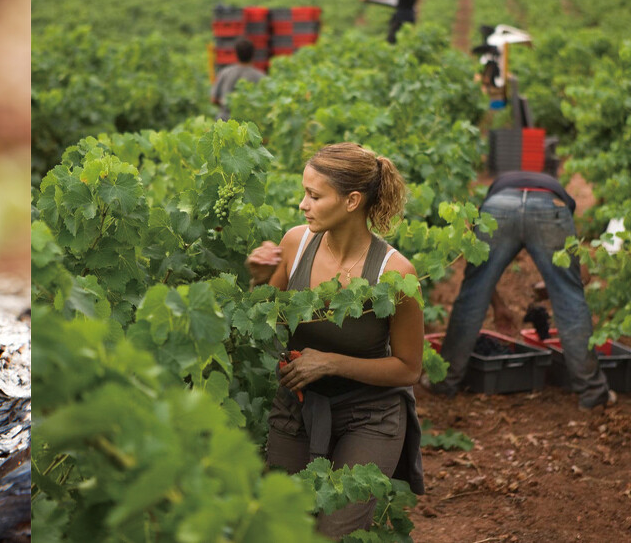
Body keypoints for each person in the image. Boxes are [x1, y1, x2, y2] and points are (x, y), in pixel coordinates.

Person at [247, 142, 424, 537]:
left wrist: (331, 363)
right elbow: (262, 320)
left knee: (333, 533)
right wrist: (257, 280)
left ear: (352, 201)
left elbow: (410, 368)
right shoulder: (295, 245)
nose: (302, 205)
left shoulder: (395, 273)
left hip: (370, 415)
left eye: (314, 196)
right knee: (285, 527)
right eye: (304, 193)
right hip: (297, 406)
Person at [426, 171, 615, 409]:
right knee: (570, 300)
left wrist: (498, 305)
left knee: (472, 292)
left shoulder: (496, 191)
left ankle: (444, 382)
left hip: (500, 208)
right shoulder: (561, 198)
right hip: (550, 209)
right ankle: (593, 391)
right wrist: (565, 282)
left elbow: (479, 280)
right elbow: (579, 274)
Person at [210, 36, 264, 120]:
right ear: (253, 54)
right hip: (249, 121)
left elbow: (214, 99)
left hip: (225, 120)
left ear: (236, 54)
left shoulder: (225, 73)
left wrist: (227, 104)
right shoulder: (260, 76)